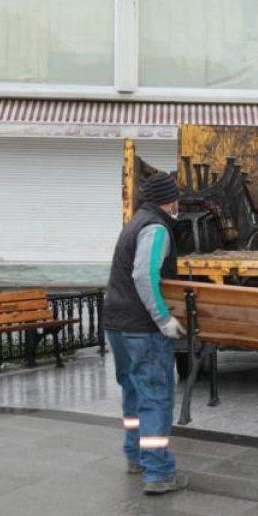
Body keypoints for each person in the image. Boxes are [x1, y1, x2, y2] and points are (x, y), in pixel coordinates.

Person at [103, 172, 189, 495]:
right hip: (141, 328)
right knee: (155, 396)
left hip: (117, 324)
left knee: (134, 392)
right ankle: (158, 473)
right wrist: (163, 318)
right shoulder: (155, 228)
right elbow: (143, 275)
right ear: (170, 201)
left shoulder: (135, 221)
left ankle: (136, 457)